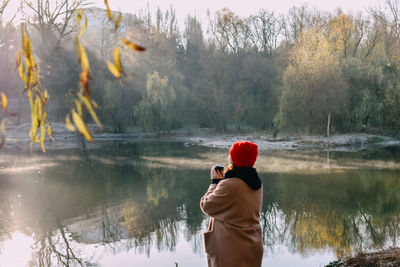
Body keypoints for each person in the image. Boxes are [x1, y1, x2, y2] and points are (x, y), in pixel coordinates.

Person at [200, 140, 263, 267]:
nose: (228, 157)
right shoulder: (257, 183)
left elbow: (206, 206)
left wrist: (214, 182)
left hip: (231, 248)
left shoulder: (230, 184)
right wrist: (223, 181)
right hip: (251, 245)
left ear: (235, 159)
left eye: (231, 154)